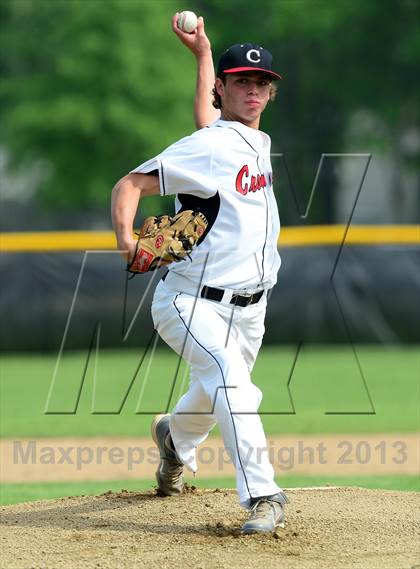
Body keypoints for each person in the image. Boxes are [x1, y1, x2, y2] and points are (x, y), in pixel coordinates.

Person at [111, 14, 288, 534]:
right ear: (223, 89)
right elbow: (129, 185)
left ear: (270, 93)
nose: (253, 90)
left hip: (251, 308)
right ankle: (263, 495)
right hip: (191, 301)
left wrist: (204, 53)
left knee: (215, 394)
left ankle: (174, 439)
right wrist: (127, 241)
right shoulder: (209, 146)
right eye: (241, 81)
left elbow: (209, 122)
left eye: (261, 83)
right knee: (233, 385)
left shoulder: (252, 139)